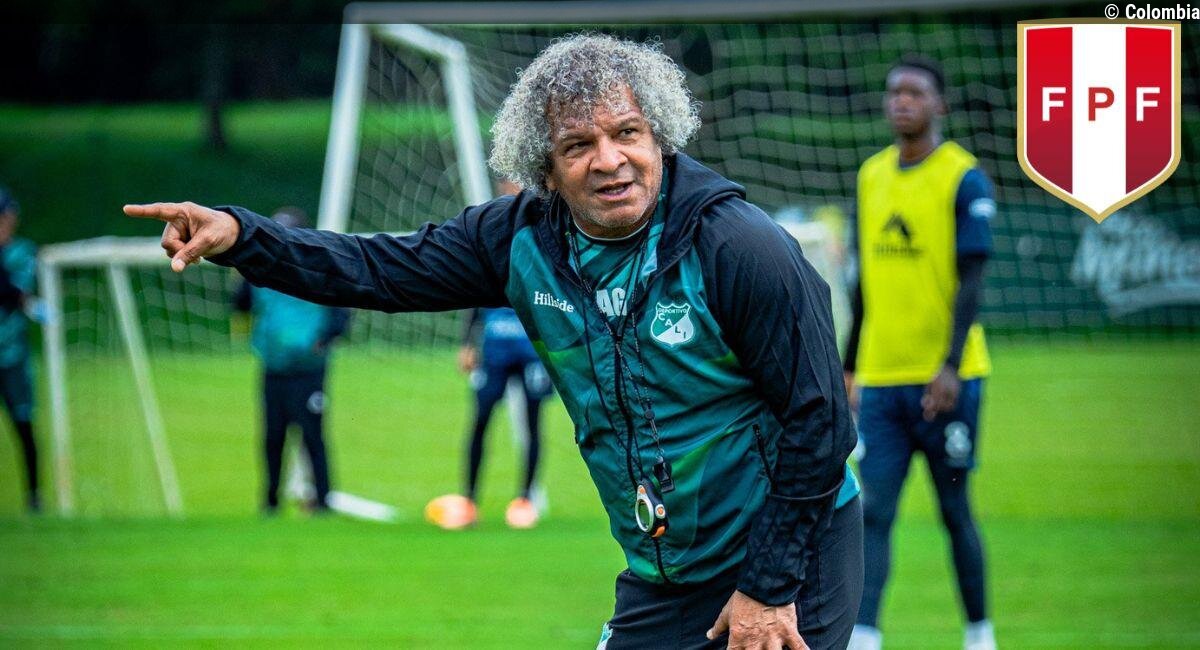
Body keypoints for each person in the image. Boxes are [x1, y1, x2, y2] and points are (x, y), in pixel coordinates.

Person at [127, 35, 862, 649]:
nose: (609, 160)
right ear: (545, 169)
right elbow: (375, 267)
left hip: (790, 553)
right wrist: (243, 237)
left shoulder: (738, 246)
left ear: (659, 137)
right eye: (578, 145)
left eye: (626, 134)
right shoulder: (517, 241)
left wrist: (768, 589)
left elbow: (821, 418)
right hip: (667, 568)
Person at [843, 56, 997, 650]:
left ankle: (979, 634)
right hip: (882, 381)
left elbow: (972, 281)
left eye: (915, 92)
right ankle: (864, 635)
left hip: (946, 382)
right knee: (872, 510)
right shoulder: (870, 175)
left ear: (939, 104)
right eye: (894, 92)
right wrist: (850, 365)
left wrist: (950, 366)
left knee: (954, 509)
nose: (902, 102)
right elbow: (862, 283)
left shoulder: (963, 177)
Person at [232, 207, 350, 514]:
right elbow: (240, 304)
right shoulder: (260, 271)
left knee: (312, 435)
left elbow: (342, 310)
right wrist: (241, 268)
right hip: (273, 366)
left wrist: (324, 341)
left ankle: (322, 501)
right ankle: (270, 502)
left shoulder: (320, 267)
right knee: (273, 436)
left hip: (309, 368)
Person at [425, 305, 553, 530]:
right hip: (494, 350)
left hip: (531, 350)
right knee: (480, 421)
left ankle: (524, 501)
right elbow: (475, 296)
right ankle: (469, 501)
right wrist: (467, 344)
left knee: (532, 424)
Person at [0, 186, 40, 513]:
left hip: (11, 354)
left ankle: (34, 496)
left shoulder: (22, 253)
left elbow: (15, 293)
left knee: (23, 423)